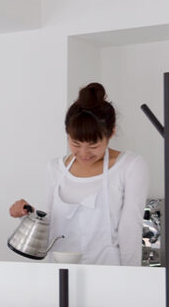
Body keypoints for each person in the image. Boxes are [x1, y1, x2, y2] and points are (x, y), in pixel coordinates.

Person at [9, 82, 148, 265]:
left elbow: (130, 228)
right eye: (75, 143)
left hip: (108, 271)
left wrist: (131, 276)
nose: (83, 153)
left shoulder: (130, 166)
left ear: (111, 133)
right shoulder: (55, 168)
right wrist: (27, 213)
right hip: (59, 271)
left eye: (93, 145)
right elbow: (49, 223)